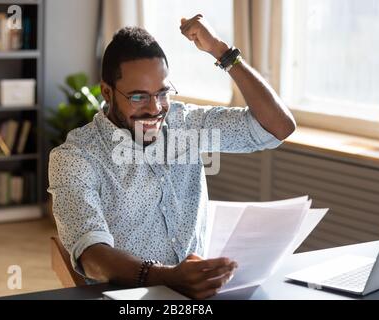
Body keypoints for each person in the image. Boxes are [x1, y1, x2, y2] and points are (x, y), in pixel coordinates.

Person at [48, 14, 296, 299]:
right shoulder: (74, 157)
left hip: (197, 299)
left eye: (162, 92)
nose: (155, 109)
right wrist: (168, 277)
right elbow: (92, 255)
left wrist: (222, 52)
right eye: (139, 97)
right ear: (107, 92)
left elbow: (278, 127)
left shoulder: (185, 123)